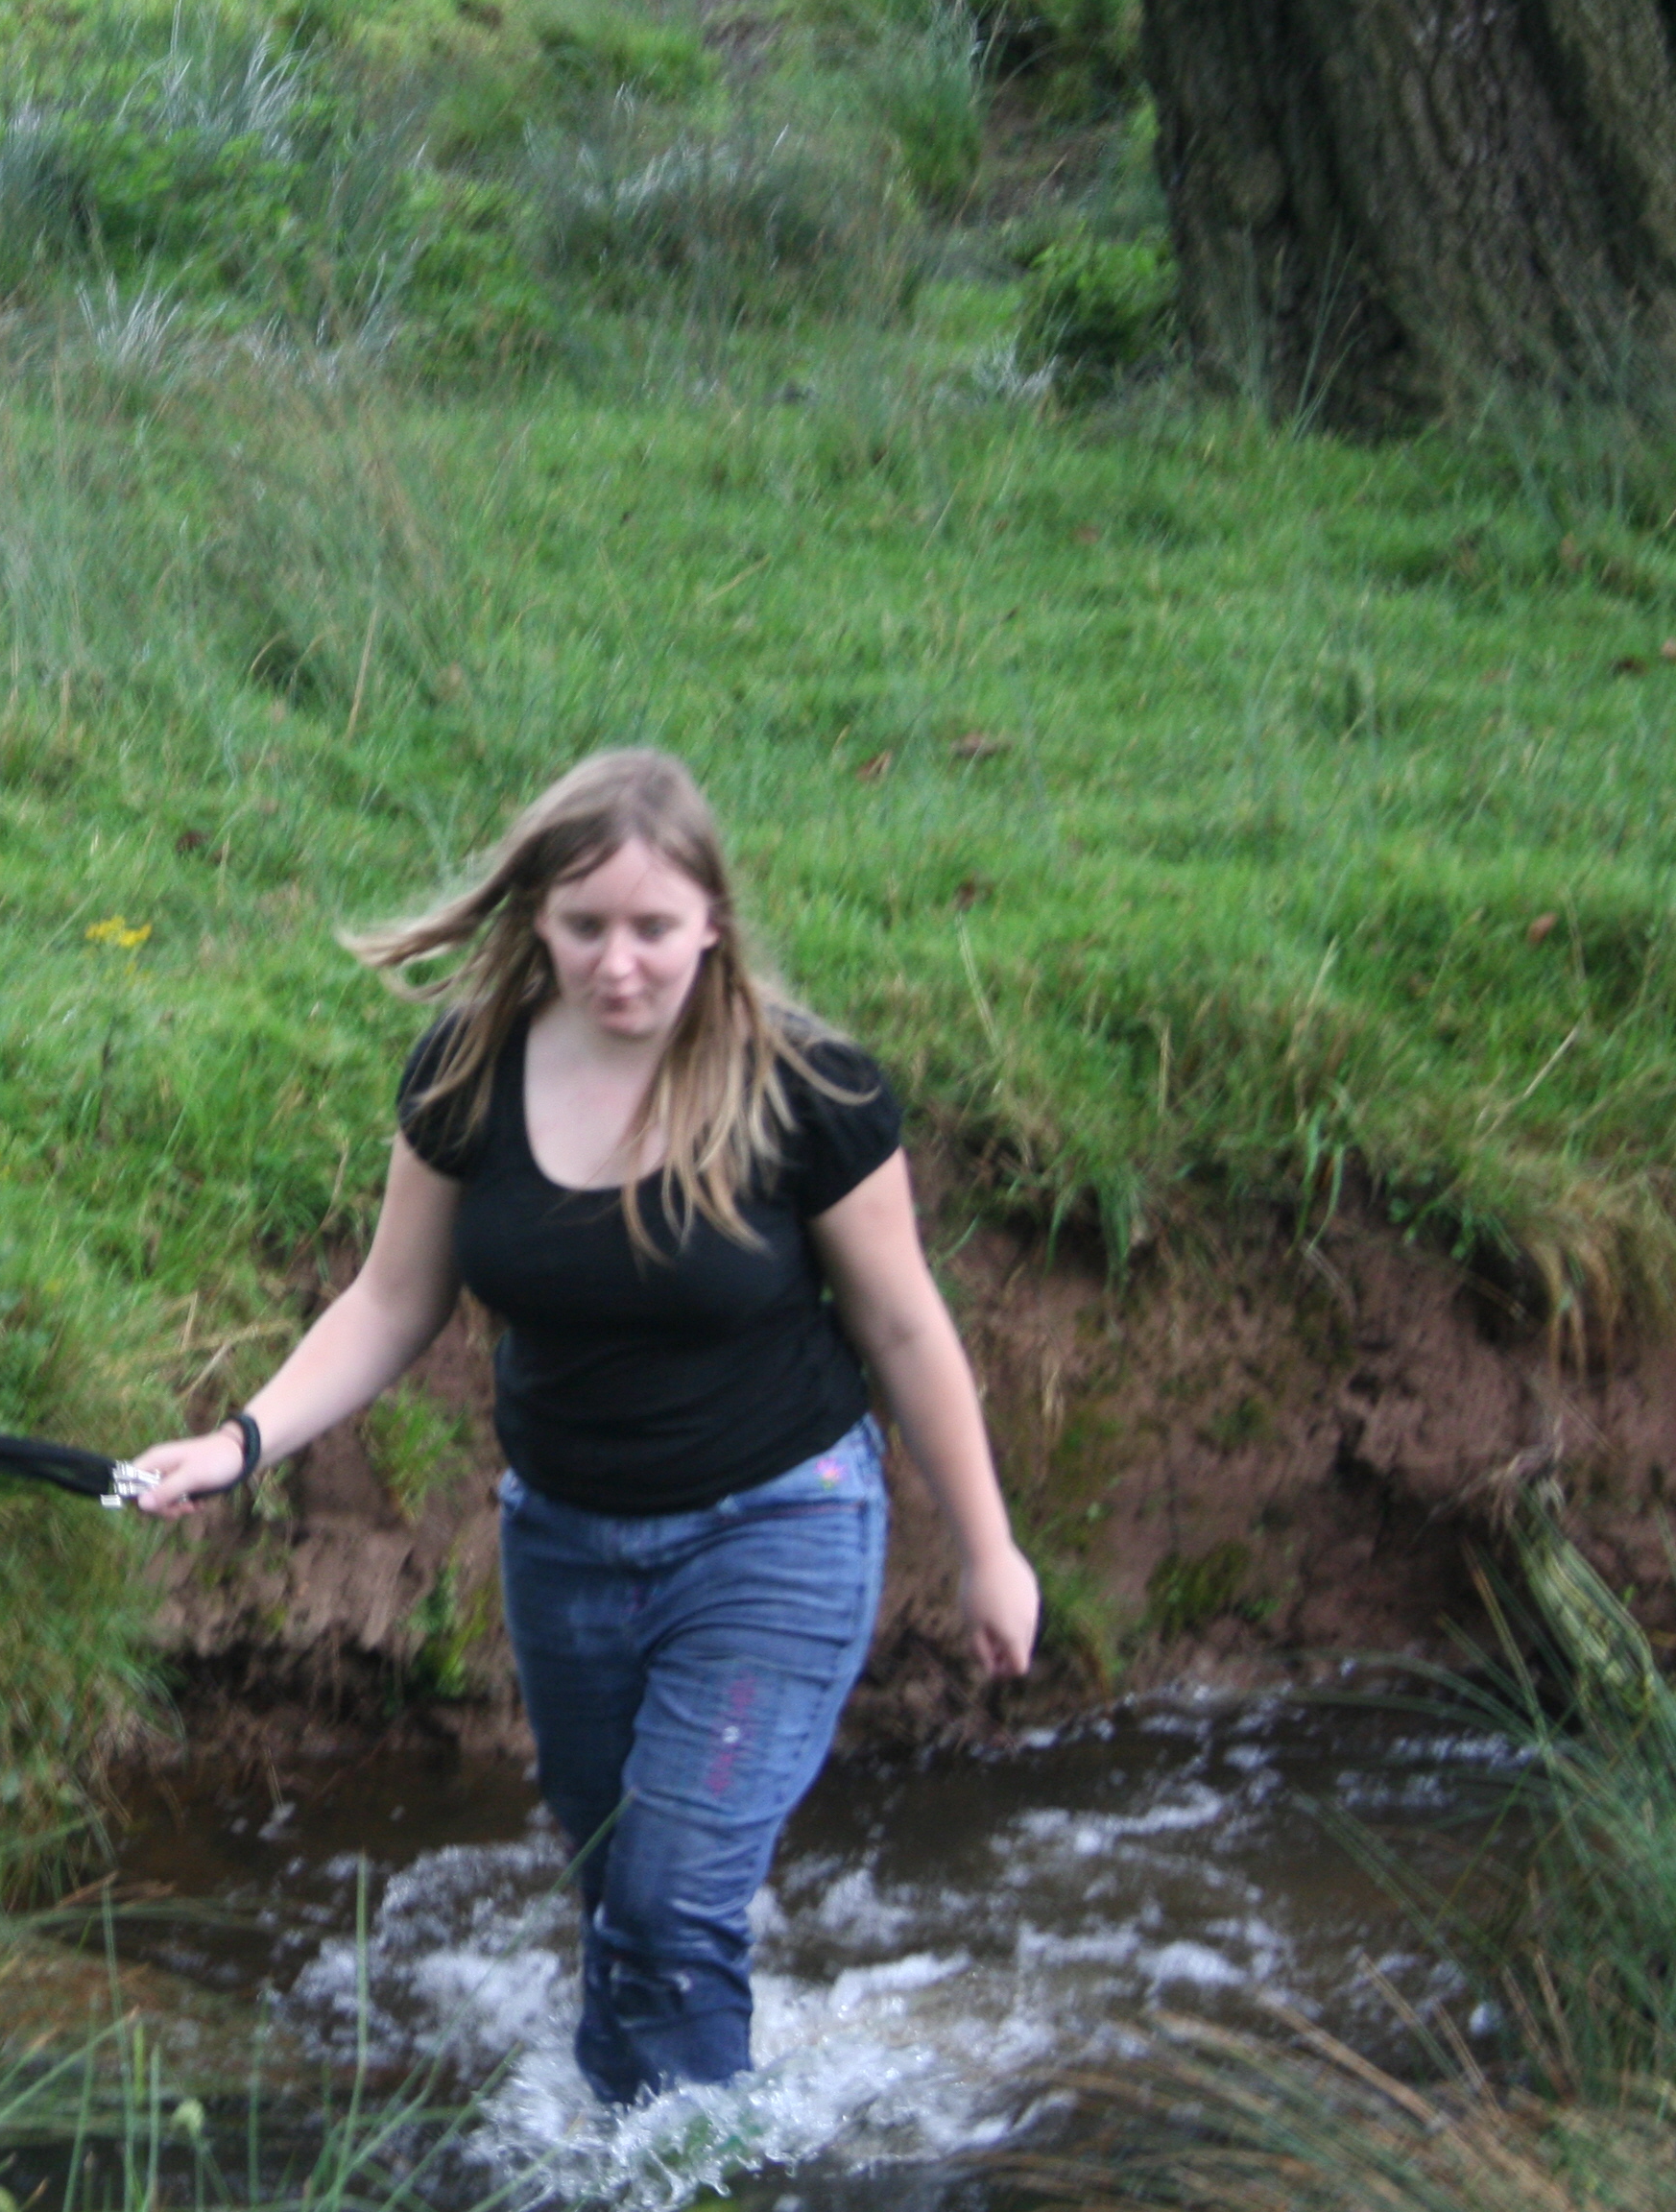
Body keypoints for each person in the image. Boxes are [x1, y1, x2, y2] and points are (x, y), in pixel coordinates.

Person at [129, 749, 1039, 2108]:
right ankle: (655, 2136)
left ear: (714, 923)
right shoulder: (467, 1072)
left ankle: (686, 2177)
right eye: (586, 927)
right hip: (565, 1545)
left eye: (655, 929)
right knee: (624, 1896)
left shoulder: (809, 1091)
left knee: (666, 1913)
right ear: (535, 923)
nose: (621, 965)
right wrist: (242, 1441)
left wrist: (990, 1550)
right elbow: (389, 1303)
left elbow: (907, 1328)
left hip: (778, 1526)